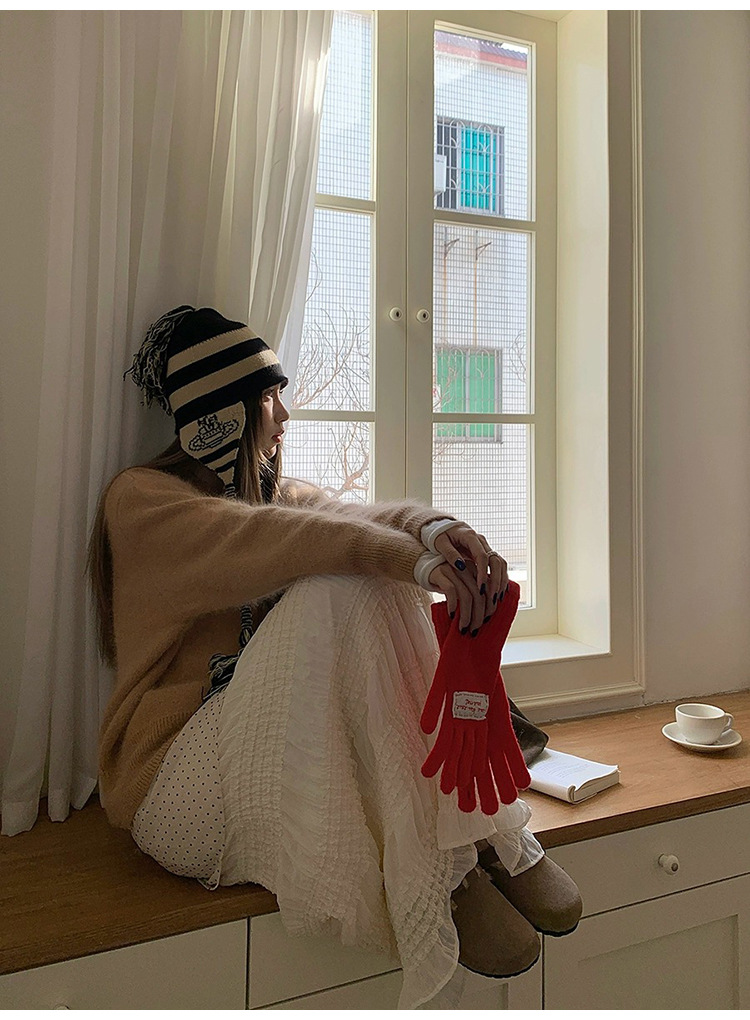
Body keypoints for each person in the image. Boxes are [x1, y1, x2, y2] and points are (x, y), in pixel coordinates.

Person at [88, 306, 581, 1009]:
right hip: (174, 788)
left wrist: (440, 533)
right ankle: (448, 871)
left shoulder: (276, 498)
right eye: (267, 398)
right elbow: (288, 539)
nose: (284, 416)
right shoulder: (142, 501)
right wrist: (411, 565)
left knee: (364, 571)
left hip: (250, 753)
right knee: (340, 582)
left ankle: (481, 837)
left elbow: (354, 518)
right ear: (219, 414)